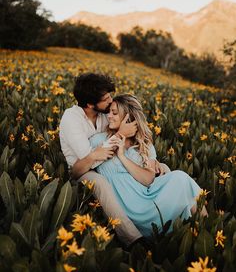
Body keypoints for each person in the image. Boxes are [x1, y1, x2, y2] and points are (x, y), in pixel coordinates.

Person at [73, 94, 204, 237]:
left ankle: (206, 228)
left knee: (182, 179)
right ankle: (202, 230)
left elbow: (148, 179)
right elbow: (76, 171)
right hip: (127, 207)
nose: (108, 116)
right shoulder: (98, 140)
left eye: (114, 113)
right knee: (184, 183)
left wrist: (122, 156)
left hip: (147, 198)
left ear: (128, 117)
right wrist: (117, 139)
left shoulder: (144, 145)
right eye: (109, 111)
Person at [59, 73, 163, 248]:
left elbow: (112, 135)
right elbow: (90, 158)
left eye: (109, 95)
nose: (110, 100)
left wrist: (150, 158)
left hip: (108, 159)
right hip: (84, 169)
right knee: (99, 182)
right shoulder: (71, 119)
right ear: (90, 104)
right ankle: (133, 239)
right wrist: (121, 134)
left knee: (162, 168)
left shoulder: (102, 113)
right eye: (106, 99)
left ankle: (162, 211)